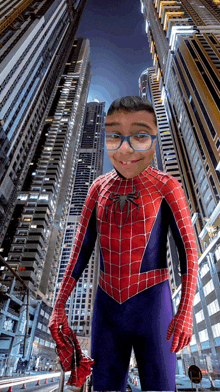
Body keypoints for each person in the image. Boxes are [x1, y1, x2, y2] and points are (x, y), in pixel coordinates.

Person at [49, 96, 198, 391]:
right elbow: (80, 250)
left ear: (154, 140)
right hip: (106, 308)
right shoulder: (97, 189)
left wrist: (185, 311)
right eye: (115, 136)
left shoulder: (167, 186)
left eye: (139, 136)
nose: (126, 148)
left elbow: (189, 251)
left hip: (153, 304)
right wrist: (58, 306)